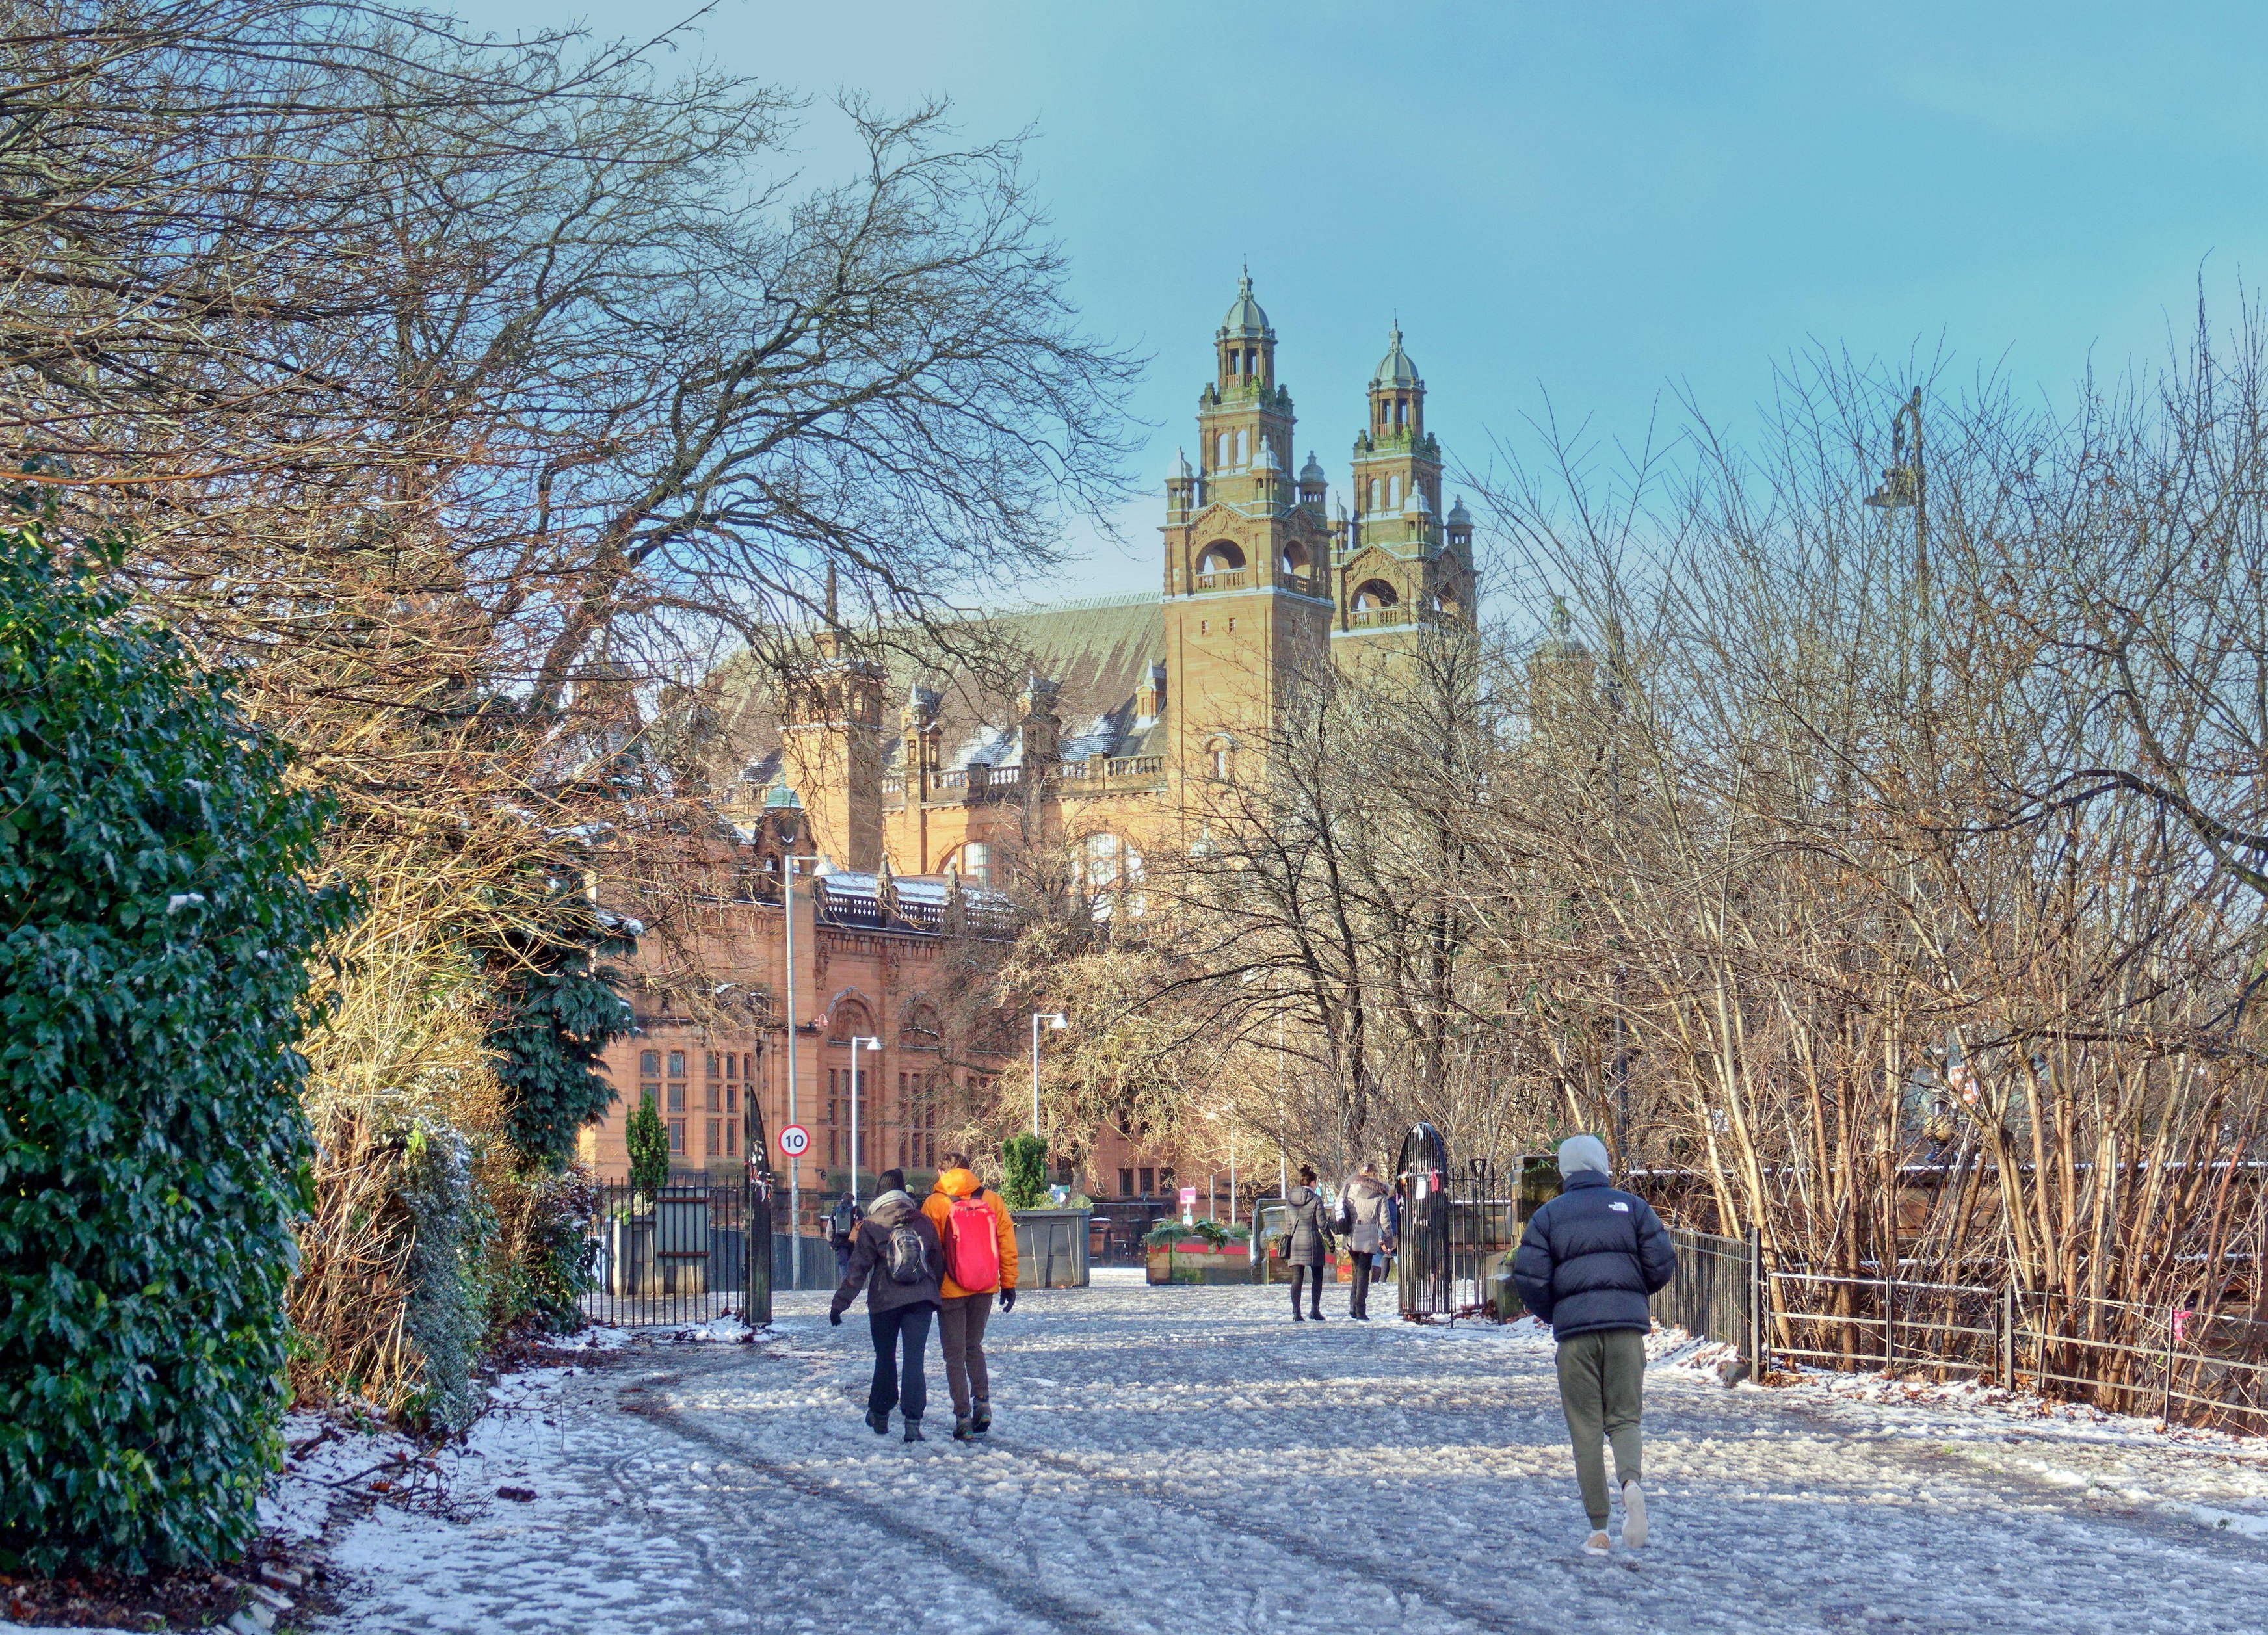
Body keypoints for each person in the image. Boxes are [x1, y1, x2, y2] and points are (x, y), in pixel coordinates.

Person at [1511, 1134, 1678, 1556]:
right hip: (1625, 1329)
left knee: (1585, 1430)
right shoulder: (1633, 1208)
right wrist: (1634, 1292)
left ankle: (1599, 1529)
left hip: (1576, 1337)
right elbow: (1661, 1260)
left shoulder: (1548, 1216)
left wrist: (1558, 1311)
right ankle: (1632, 1483)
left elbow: (1528, 1275)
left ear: (1565, 1170)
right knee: (1624, 1418)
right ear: (1603, 1165)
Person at [828, 1167, 942, 1443]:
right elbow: (938, 1260)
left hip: (884, 1301)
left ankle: (880, 1415)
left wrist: (839, 1304)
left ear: (880, 1191)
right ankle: (913, 1422)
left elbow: (857, 1271)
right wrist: (931, 1291)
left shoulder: (872, 1224)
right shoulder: (923, 1221)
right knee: (915, 1360)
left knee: (886, 1357)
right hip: (920, 1300)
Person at [921, 1151, 1020, 1441]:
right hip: (984, 1285)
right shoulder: (992, 1200)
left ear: (942, 1173)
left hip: (950, 1290)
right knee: (974, 1347)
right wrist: (1009, 1283)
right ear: (968, 1170)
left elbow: (929, 1250)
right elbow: (1006, 1243)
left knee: (954, 1356)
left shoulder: (935, 1203)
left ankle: (963, 1417)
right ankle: (983, 1404)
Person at [1339, 1162, 1391, 1320]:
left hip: (1351, 1234)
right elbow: (1385, 1220)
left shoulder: (1347, 1188)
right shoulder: (1380, 1193)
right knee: (1363, 1272)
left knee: (1357, 1270)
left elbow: (1338, 1207)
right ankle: (1360, 1309)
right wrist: (1388, 1241)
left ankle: (1353, 1306)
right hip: (1368, 1236)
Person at [1281, 1164, 1332, 1322]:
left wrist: (1288, 1241)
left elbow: (1288, 1225)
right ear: (1312, 1183)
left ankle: (1296, 1312)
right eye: (1316, 1183)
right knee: (1317, 1276)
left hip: (1296, 1243)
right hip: (1313, 1242)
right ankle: (1315, 1310)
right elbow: (1322, 1224)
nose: (1316, 1186)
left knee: (1297, 1278)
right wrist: (1330, 1241)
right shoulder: (1316, 1200)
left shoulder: (1291, 1200)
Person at [828, 1190, 864, 1283]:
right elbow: (863, 1225)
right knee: (853, 1262)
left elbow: (830, 1229)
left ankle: (845, 1282)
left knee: (843, 1263)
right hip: (854, 1242)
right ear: (852, 1200)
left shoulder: (835, 1211)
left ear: (842, 1200)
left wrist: (831, 1242)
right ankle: (853, 1282)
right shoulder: (857, 1210)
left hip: (840, 1242)